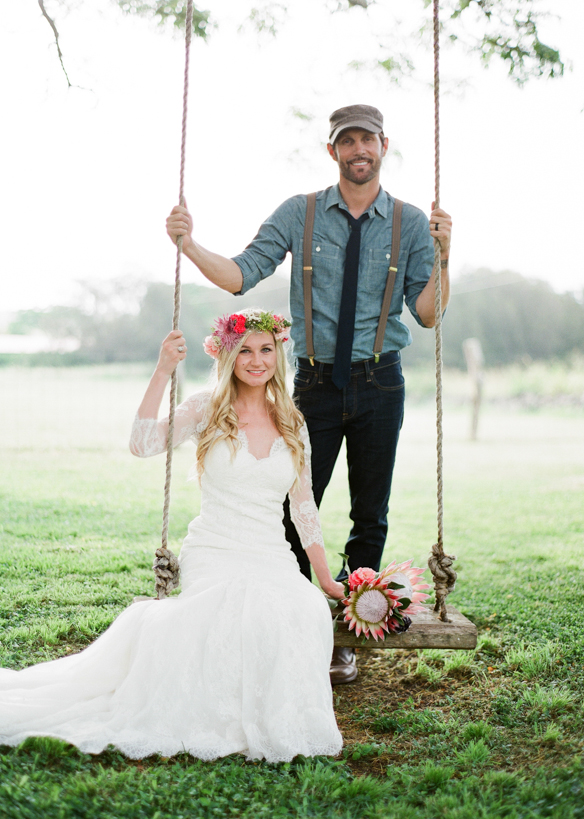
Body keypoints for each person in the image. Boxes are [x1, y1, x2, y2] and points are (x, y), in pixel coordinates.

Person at [165, 104, 452, 685]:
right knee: (296, 510)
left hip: (380, 379)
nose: (357, 151)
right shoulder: (300, 214)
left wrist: (447, 256)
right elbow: (242, 274)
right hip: (314, 385)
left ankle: (348, 634)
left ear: (383, 146)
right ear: (333, 152)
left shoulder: (411, 221)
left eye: (366, 140)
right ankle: (294, 625)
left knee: (370, 514)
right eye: (346, 142)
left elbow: (427, 314)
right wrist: (190, 246)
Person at [0, 309, 344, 762]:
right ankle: (222, 715)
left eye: (266, 349)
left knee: (304, 606)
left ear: (279, 354)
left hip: (271, 552)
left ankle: (272, 716)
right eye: (245, 350)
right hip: (214, 547)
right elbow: (143, 444)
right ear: (228, 355)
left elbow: (304, 505)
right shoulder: (205, 407)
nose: (256, 360)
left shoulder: (293, 420)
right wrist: (162, 371)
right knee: (239, 610)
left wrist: (326, 578)